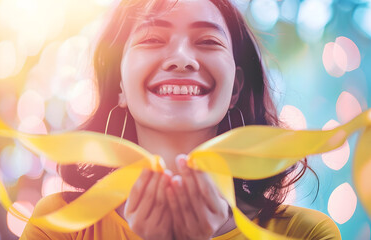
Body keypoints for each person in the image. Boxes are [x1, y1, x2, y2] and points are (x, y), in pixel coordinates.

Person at [20, 0, 341, 239]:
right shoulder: (59, 225)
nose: (181, 59)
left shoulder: (307, 235)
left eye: (207, 41)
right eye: (152, 39)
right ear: (119, 83)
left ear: (235, 88)